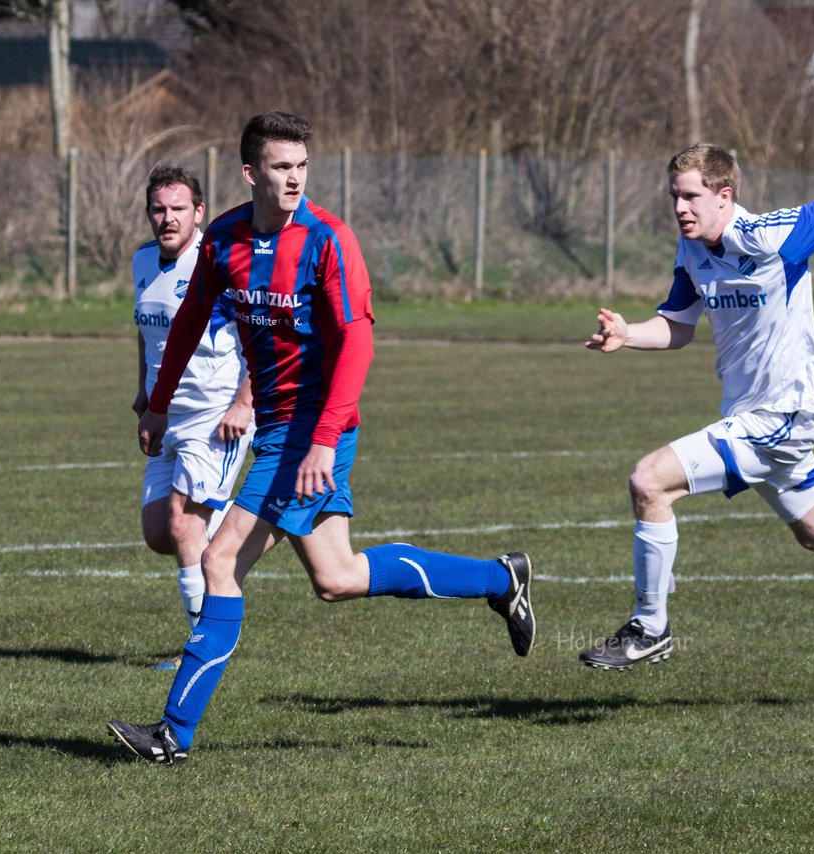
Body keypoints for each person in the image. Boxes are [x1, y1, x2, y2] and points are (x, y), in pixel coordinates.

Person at [108, 110, 535, 765]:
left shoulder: (329, 239)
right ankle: (499, 580)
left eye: (302, 166)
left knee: (221, 562)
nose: (295, 179)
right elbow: (191, 319)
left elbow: (358, 342)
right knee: (337, 576)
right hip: (281, 431)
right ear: (250, 173)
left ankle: (172, 736)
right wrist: (158, 403)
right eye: (282, 167)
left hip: (311, 432)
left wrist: (325, 441)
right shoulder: (223, 239)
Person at [578, 142, 814, 703]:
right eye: (675, 197)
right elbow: (677, 325)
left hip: (779, 418)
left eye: (692, 197)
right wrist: (630, 335)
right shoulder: (692, 250)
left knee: (649, 481)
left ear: (726, 196)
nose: (680, 208)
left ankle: (650, 627)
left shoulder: (771, 234)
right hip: (755, 420)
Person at [132, 165, 254, 670]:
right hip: (168, 418)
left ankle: (203, 648)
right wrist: (144, 398)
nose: (168, 218)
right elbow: (145, 334)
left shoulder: (219, 263)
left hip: (216, 416)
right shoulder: (142, 261)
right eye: (159, 209)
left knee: (183, 524)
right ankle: (231, 520)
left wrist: (244, 404)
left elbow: (259, 341)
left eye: (178, 208)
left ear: (198, 212)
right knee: (159, 532)